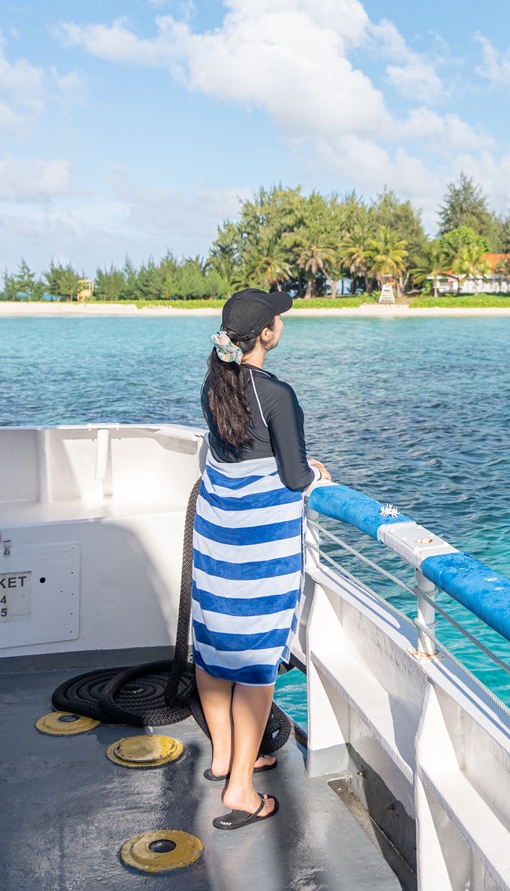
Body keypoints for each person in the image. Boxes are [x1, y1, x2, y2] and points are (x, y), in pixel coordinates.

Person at [193, 287, 330, 831]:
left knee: (213, 643)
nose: (281, 322)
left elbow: (233, 456)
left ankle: (226, 757)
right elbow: (293, 478)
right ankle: (241, 789)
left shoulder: (215, 384)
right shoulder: (277, 394)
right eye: (278, 317)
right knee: (255, 660)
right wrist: (315, 470)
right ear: (267, 334)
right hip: (257, 548)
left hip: (217, 536)